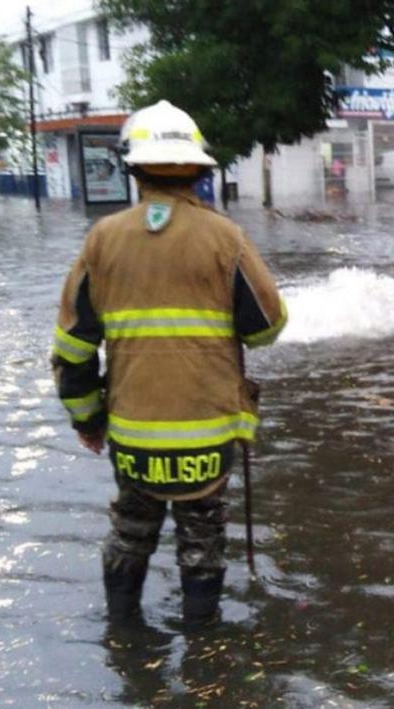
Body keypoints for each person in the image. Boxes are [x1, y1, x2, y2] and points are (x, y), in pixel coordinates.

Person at [51, 100, 287, 624]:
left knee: (130, 533)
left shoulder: (102, 239)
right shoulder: (226, 238)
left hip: (133, 435)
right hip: (207, 434)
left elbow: (73, 348)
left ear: (133, 169)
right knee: (203, 538)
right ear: (199, 171)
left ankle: (122, 636)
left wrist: (88, 420)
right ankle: (206, 655)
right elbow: (267, 328)